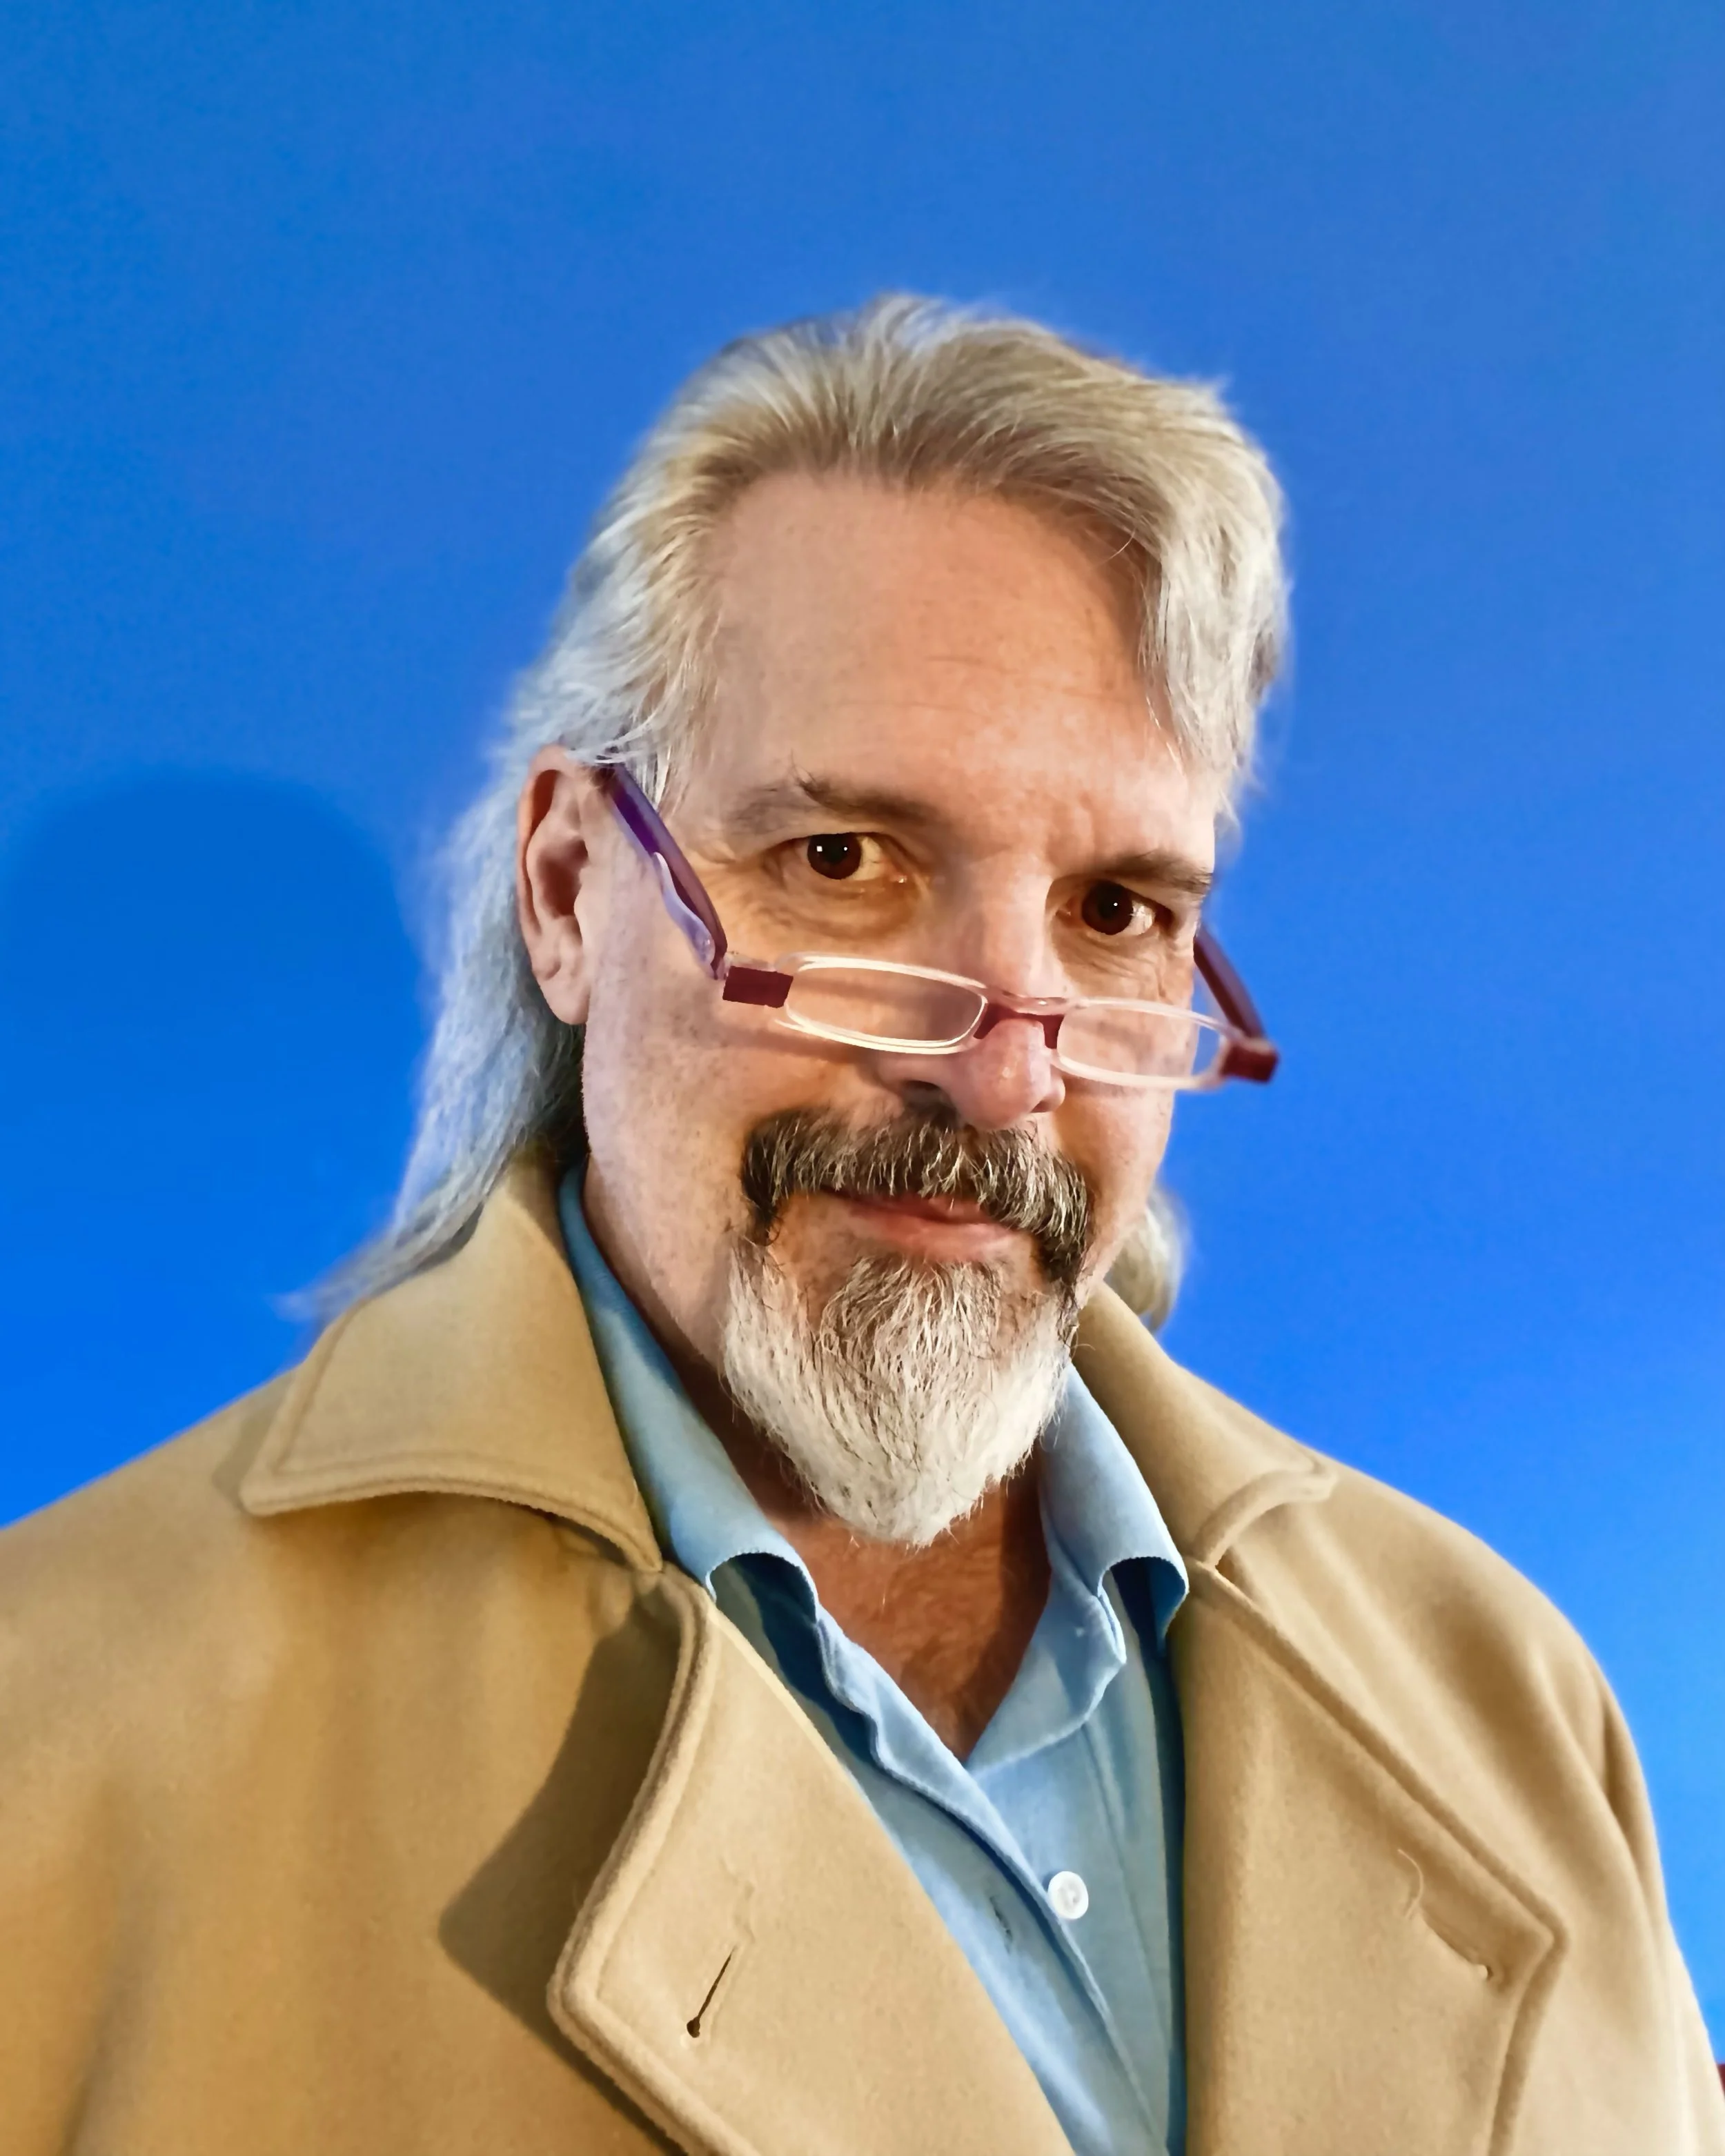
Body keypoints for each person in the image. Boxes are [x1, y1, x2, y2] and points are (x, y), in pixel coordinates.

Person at [0, 298, 1717, 2156]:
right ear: (570, 892)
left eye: (1118, 910)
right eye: (842, 864)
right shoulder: (62, 1729)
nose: (999, 1076)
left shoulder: (1504, 1694)